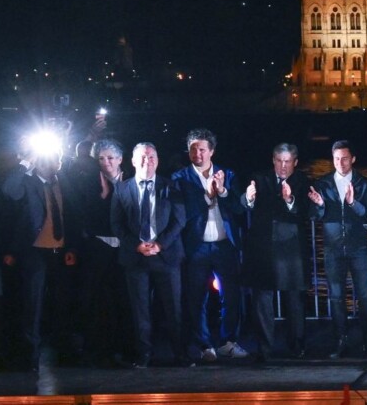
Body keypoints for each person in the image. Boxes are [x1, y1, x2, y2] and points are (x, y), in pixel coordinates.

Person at [172, 129, 251, 363]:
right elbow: (182, 213)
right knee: (197, 299)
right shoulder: (179, 178)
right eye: (193, 149)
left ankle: (228, 342)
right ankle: (205, 345)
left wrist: (224, 191)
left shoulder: (227, 174)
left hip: (225, 245)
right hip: (196, 247)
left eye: (202, 149)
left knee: (232, 296)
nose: (198, 153)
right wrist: (207, 196)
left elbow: (238, 209)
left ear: (212, 151)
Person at [0, 137, 73, 366]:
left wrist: (73, 247)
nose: (54, 163)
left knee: (62, 303)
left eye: (57, 158)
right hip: (35, 252)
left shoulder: (64, 182)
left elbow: (75, 217)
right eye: (49, 158)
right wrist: (27, 161)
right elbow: (8, 189)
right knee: (33, 304)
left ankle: (64, 353)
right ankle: (31, 355)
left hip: (60, 252)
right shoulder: (28, 183)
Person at [112, 141, 184, 369]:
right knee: (140, 310)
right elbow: (117, 224)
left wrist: (160, 244)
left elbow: (179, 220)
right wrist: (136, 245)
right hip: (136, 258)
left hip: (166, 257)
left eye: (152, 157)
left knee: (173, 309)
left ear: (158, 161)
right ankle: (143, 355)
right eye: (142, 157)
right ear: (133, 161)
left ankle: (180, 355)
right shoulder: (122, 188)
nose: (147, 161)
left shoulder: (172, 186)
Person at [245, 143, 313, 361]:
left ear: (295, 162)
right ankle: (265, 350)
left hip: (291, 250)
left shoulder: (302, 181)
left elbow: (306, 210)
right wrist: (249, 198)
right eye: (279, 161)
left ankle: (297, 347)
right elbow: (244, 203)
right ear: (273, 160)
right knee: (262, 301)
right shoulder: (258, 178)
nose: (283, 167)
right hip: (263, 250)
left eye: (287, 162)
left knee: (294, 300)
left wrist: (290, 200)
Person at [310, 140, 367, 356]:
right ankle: (341, 341)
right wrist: (319, 206)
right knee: (336, 297)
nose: (340, 162)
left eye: (345, 158)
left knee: (365, 297)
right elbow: (314, 216)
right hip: (332, 249)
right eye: (337, 158)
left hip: (359, 249)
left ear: (353, 159)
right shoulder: (322, 184)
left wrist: (352, 203)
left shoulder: (364, 183)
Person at [76, 139, 129, 366]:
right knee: (98, 300)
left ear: (120, 159)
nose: (105, 162)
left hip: (127, 247)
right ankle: (98, 349)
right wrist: (102, 197)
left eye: (110, 158)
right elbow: (84, 215)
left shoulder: (132, 180)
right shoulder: (88, 182)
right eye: (100, 158)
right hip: (98, 247)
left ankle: (125, 348)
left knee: (124, 299)